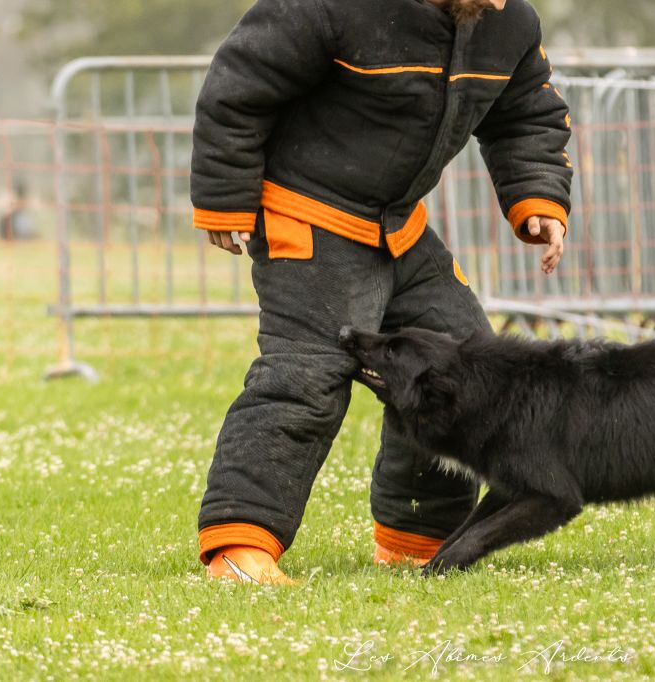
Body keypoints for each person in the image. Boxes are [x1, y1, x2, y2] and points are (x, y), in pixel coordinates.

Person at [191, 0, 573, 584]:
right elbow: (236, 90)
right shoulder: (324, 7)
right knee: (306, 376)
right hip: (306, 212)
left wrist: (539, 197)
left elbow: (527, 115)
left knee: (462, 370)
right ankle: (239, 546)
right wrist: (224, 197)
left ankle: (414, 540)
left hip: (398, 223)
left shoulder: (511, 22)